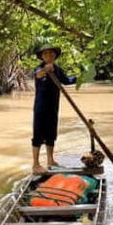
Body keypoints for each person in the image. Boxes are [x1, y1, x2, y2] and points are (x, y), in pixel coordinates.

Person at [31, 44, 76, 175]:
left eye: (51, 53)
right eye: (45, 54)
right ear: (42, 57)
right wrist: (46, 70)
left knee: (51, 133)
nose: (49, 56)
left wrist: (81, 78)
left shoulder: (58, 69)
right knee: (38, 134)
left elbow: (67, 80)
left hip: (53, 106)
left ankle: (50, 160)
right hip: (40, 107)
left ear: (55, 55)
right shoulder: (39, 69)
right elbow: (38, 75)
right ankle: (36, 164)